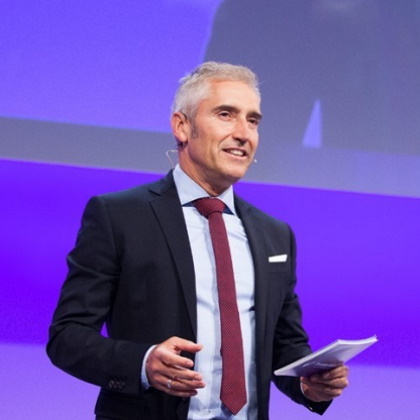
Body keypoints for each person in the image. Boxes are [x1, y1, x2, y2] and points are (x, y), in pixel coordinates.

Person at [47, 62, 349, 420]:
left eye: (253, 120)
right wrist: (143, 363)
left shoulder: (275, 235)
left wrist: (308, 383)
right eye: (226, 114)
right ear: (182, 126)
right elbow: (67, 337)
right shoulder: (119, 217)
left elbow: (284, 343)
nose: (244, 133)